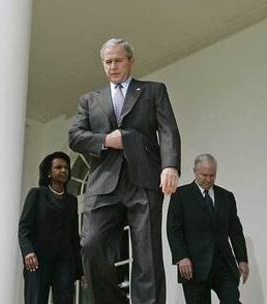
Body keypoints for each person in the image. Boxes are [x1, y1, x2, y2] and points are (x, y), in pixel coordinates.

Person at [68, 38, 181, 304]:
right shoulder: (89, 100)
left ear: (131, 61)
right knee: (91, 244)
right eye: (108, 62)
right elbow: (75, 136)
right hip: (103, 184)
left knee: (147, 255)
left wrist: (169, 166)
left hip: (144, 180)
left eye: (118, 60)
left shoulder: (154, 91)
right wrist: (106, 140)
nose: (113, 66)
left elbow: (168, 130)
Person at [167, 153, 249, 303]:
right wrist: (181, 257)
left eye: (212, 175)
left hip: (224, 264)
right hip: (193, 266)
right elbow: (173, 229)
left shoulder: (226, 197)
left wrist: (242, 259)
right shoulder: (181, 195)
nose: (208, 179)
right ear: (195, 172)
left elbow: (235, 231)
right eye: (204, 175)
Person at [18, 151, 84, 304]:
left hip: (64, 262)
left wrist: (80, 270)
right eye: (58, 167)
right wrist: (28, 252)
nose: (63, 171)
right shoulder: (37, 194)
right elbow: (24, 227)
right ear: (49, 172)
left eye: (66, 168)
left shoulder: (72, 201)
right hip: (37, 260)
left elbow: (74, 237)